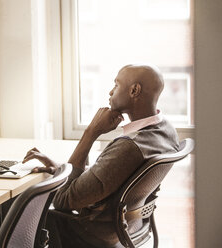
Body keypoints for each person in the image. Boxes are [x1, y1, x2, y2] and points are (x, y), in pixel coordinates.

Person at [23, 64, 179, 247]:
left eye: (116, 85)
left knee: (20, 211)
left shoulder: (129, 147)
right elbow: (108, 176)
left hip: (94, 235)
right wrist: (62, 169)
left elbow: (63, 200)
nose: (110, 91)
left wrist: (91, 132)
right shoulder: (166, 131)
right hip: (130, 228)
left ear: (134, 90)